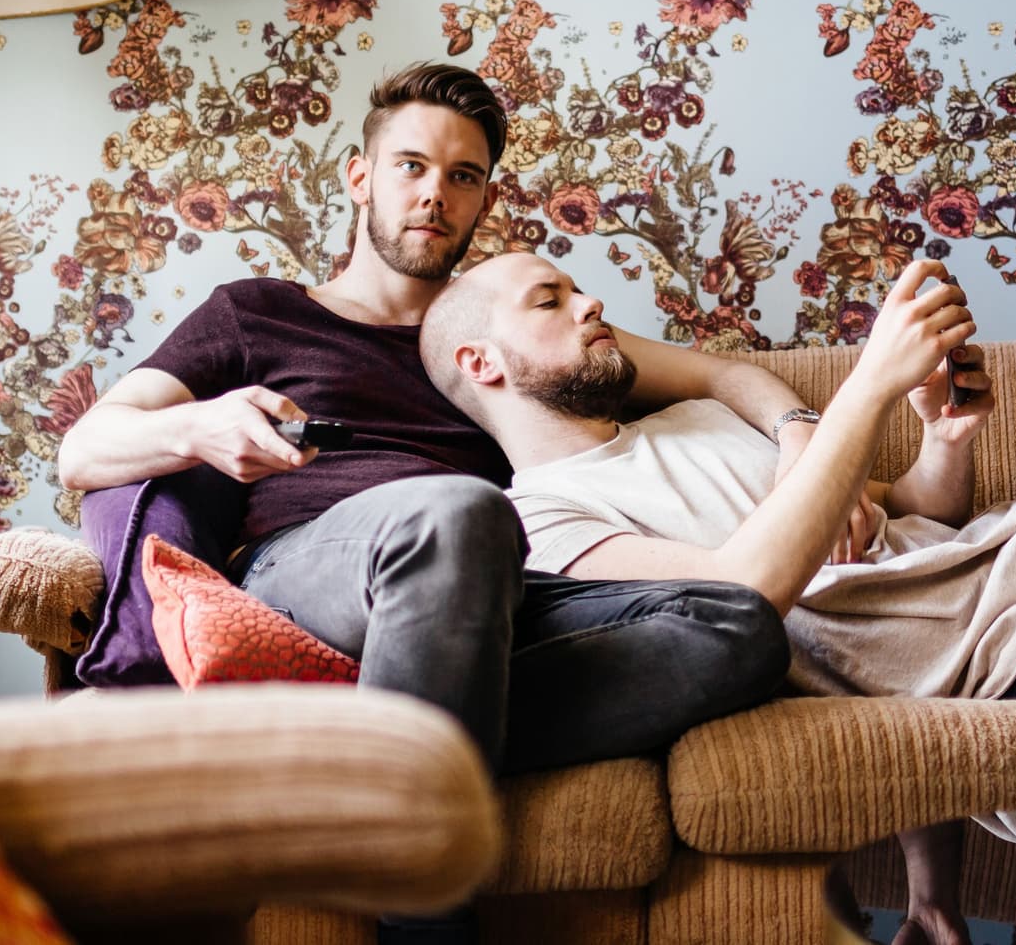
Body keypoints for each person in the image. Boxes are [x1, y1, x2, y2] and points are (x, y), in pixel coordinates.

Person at [59, 63, 813, 942]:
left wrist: (801, 439)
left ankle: (361, 753)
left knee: (740, 627)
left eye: (463, 177)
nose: (435, 195)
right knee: (457, 512)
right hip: (319, 569)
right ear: (360, 176)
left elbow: (723, 374)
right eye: (412, 166)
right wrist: (198, 428)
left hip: (494, 596)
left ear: (484, 199)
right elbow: (84, 451)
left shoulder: (506, 329)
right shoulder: (256, 313)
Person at [418, 251, 1016, 933]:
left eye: (576, 287)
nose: (591, 301)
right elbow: (740, 595)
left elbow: (910, 513)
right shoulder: (542, 527)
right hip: (982, 681)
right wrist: (866, 387)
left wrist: (943, 439)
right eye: (550, 299)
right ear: (481, 362)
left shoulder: (694, 418)